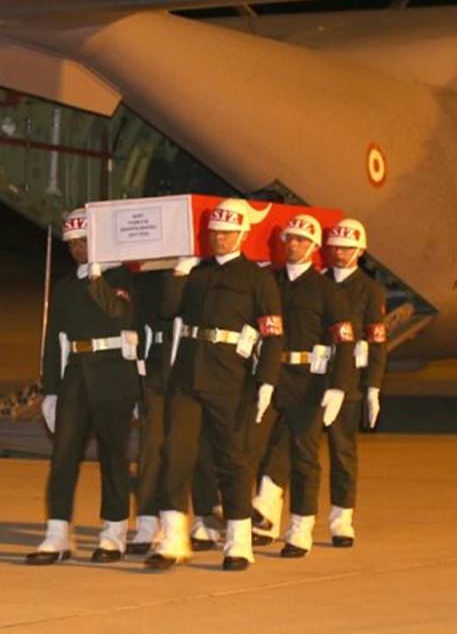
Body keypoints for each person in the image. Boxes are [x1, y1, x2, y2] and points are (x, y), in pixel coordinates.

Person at [143, 199, 284, 572]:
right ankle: (173, 537)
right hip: (187, 374)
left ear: (242, 234)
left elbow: (272, 334)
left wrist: (267, 381)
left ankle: (238, 541)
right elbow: (167, 311)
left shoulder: (258, 279)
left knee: (231, 458)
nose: (219, 238)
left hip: (229, 377)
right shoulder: (197, 274)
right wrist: (179, 274)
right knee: (176, 452)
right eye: (215, 233)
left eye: (227, 233)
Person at [27, 208, 141, 565]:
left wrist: (96, 277)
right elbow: (53, 340)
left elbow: (119, 314)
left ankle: (113, 533)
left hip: (114, 373)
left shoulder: (121, 277)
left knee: (113, 457)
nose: (78, 248)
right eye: (73, 243)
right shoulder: (65, 287)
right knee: (62, 457)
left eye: (85, 241)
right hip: (76, 374)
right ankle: (57, 534)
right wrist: (50, 389)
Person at [251, 214, 356, 558]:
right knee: (254, 446)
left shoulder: (328, 291)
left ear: (313, 247)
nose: (293, 245)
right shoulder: (271, 282)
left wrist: (338, 386)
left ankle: (300, 529)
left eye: (300, 240)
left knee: (303, 456)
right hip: (271, 376)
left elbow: (344, 340)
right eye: (289, 239)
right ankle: (265, 516)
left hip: (309, 381)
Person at [130, 270, 222, 555]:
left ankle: (205, 516)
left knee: (193, 445)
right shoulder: (148, 277)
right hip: (157, 364)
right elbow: (139, 321)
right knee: (152, 445)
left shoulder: (205, 274)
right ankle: (148, 519)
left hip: (192, 364)